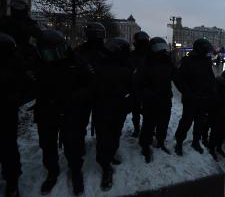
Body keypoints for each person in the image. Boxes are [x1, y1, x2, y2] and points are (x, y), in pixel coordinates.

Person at [34, 29, 93, 195]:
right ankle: (52, 171)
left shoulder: (76, 61)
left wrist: (74, 96)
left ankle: (75, 171)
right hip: (47, 109)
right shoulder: (39, 62)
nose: (53, 57)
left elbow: (91, 84)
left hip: (70, 110)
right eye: (49, 53)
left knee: (73, 144)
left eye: (56, 52)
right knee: (47, 144)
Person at [92, 37, 133, 191]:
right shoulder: (101, 65)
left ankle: (109, 156)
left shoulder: (125, 66)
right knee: (104, 136)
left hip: (117, 107)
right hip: (104, 107)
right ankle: (105, 165)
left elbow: (131, 87)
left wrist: (128, 103)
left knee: (114, 134)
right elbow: (93, 87)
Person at [0, 33, 33, 197]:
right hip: (7, 109)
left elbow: (28, 87)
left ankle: (12, 181)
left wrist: (13, 99)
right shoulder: (16, 63)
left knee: (8, 147)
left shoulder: (16, 65)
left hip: (6, 111)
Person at [138, 37, 177, 162]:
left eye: (162, 47)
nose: (161, 50)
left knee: (163, 122)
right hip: (151, 99)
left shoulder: (167, 61)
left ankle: (160, 141)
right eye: (157, 47)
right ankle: (145, 145)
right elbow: (138, 81)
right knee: (148, 124)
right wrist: (146, 93)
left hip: (165, 98)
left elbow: (176, 76)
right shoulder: (146, 61)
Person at [174, 38, 215, 156]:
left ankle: (196, 142)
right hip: (190, 99)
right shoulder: (187, 61)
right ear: (199, 48)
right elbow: (179, 80)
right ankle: (179, 142)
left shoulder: (206, 61)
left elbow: (210, 78)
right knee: (186, 122)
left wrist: (212, 92)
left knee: (199, 122)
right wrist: (187, 93)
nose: (206, 51)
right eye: (205, 49)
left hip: (203, 99)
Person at [206, 70, 225, 160]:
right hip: (217, 111)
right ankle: (212, 149)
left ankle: (219, 147)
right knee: (215, 131)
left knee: (222, 130)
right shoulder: (217, 85)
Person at [130, 31, 150, 138]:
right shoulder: (151, 55)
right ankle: (140, 129)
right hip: (145, 87)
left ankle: (138, 129)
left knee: (136, 111)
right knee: (141, 111)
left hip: (139, 87)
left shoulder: (133, 55)